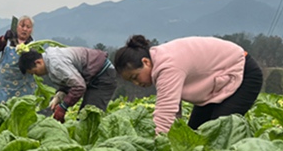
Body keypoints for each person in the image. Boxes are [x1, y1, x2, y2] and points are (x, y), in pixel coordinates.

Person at [113, 35, 264, 134]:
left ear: (145, 62)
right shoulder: (159, 60)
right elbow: (174, 110)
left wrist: (155, 149)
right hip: (217, 84)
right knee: (195, 135)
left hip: (243, 73)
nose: (137, 83)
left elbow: (165, 113)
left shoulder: (167, 66)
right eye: (131, 81)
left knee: (219, 135)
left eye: (135, 76)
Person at [18, 46, 116, 123]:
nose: (36, 75)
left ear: (38, 62)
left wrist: (63, 107)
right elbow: (69, 79)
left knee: (88, 119)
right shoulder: (50, 57)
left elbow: (79, 86)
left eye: (34, 72)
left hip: (103, 76)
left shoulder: (55, 64)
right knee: (84, 118)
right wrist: (59, 96)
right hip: (95, 76)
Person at [0, 15, 37, 104]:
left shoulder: (34, 45)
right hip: (3, 87)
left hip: (23, 87)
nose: (25, 29)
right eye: (22, 26)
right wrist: (3, 38)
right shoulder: (9, 41)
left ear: (31, 30)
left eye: (28, 27)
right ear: (16, 27)